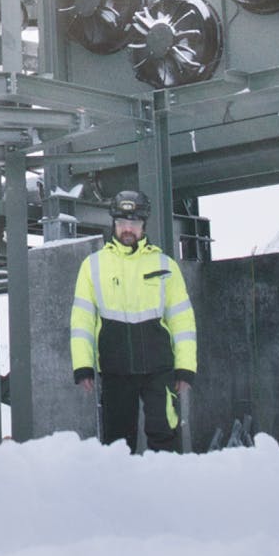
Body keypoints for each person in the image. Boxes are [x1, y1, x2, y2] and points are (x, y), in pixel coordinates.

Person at [70, 189, 197, 453]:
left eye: (134, 223)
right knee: (117, 445)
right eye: (122, 223)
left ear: (143, 225)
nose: (128, 229)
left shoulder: (165, 265)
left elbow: (182, 321)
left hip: (159, 370)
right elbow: (82, 321)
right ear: (113, 224)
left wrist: (186, 368)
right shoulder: (93, 266)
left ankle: (166, 488)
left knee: (165, 435)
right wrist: (83, 366)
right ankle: (120, 493)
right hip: (115, 371)